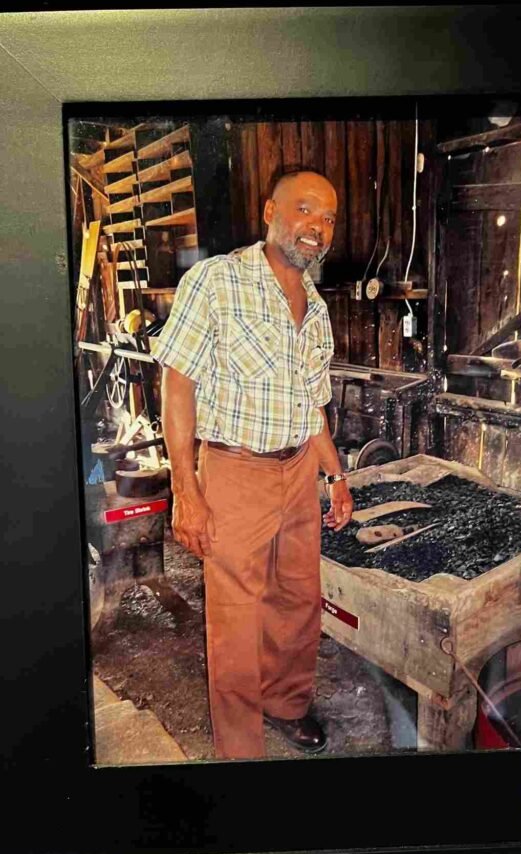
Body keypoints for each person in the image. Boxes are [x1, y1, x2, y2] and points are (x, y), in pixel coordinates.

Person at [151, 168, 353, 760]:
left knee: (298, 598)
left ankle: (287, 704)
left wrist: (336, 476)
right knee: (237, 618)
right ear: (270, 211)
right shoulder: (216, 282)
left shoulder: (315, 308)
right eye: (305, 209)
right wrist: (186, 489)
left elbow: (311, 404)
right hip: (235, 471)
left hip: (297, 474)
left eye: (328, 218)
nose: (316, 226)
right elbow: (178, 386)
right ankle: (241, 755)